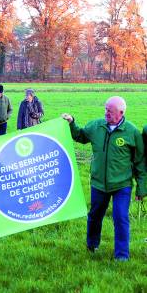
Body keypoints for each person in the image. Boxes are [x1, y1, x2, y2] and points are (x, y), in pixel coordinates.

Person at [62, 96, 146, 261]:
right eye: (106, 109)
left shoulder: (132, 132)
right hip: (99, 184)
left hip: (122, 185)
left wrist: (142, 187)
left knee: (121, 217)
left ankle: (122, 255)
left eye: (110, 111)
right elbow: (80, 136)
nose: (106, 113)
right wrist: (71, 123)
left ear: (121, 113)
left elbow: (140, 161)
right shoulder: (96, 126)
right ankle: (92, 245)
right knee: (95, 215)